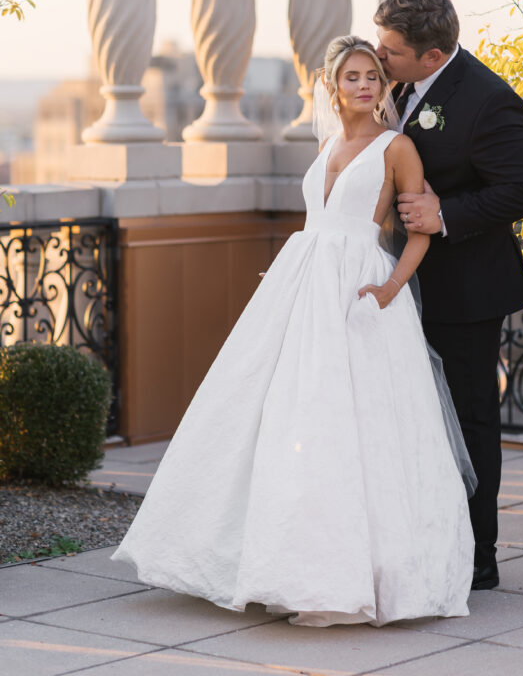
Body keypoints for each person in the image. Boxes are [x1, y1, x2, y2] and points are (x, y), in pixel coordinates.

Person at [113, 35, 476, 627]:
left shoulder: (397, 146)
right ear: (333, 86)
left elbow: (419, 230)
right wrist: (291, 272)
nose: (365, 85)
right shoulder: (329, 140)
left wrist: (389, 290)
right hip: (302, 285)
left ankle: (359, 571)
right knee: (282, 415)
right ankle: (272, 556)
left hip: (361, 292)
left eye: (372, 77)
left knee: (355, 425)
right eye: (353, 77)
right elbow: (318, 226)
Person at [374, 0, 523, 591]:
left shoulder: (489, 100)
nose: (379, 56)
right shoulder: (395, 84)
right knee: (409, 415)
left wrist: (444, 212)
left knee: (468, 418)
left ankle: (478, 555)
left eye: (391, 50)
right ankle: (418, 537)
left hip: (464, 290)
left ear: (433, 56)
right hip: (400, 284)